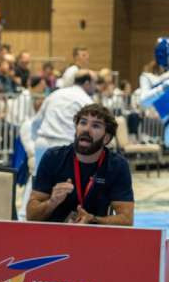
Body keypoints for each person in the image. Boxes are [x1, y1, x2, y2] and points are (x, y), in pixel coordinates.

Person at [26, 103, 133, 226]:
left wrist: (93, 220)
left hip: (94, 237)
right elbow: (31, 216)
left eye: (96, 126)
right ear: (76, 129)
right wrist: (52, 202)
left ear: (106, 138)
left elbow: (126, 220)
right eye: (83, 123)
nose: (86, 129)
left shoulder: (117, 165)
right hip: (55, 237)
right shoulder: (53, 158)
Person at [20, 71, 96, 218]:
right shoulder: (86, 100)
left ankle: (25, 214)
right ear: (87, 83)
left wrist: (36, 140)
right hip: (64, 143)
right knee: (70, 181)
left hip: (43, 141)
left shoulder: (56, 94)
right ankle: (67, 216)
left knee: (36, 178)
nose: (96, 87)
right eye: (94, 83)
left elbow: (36, 121)